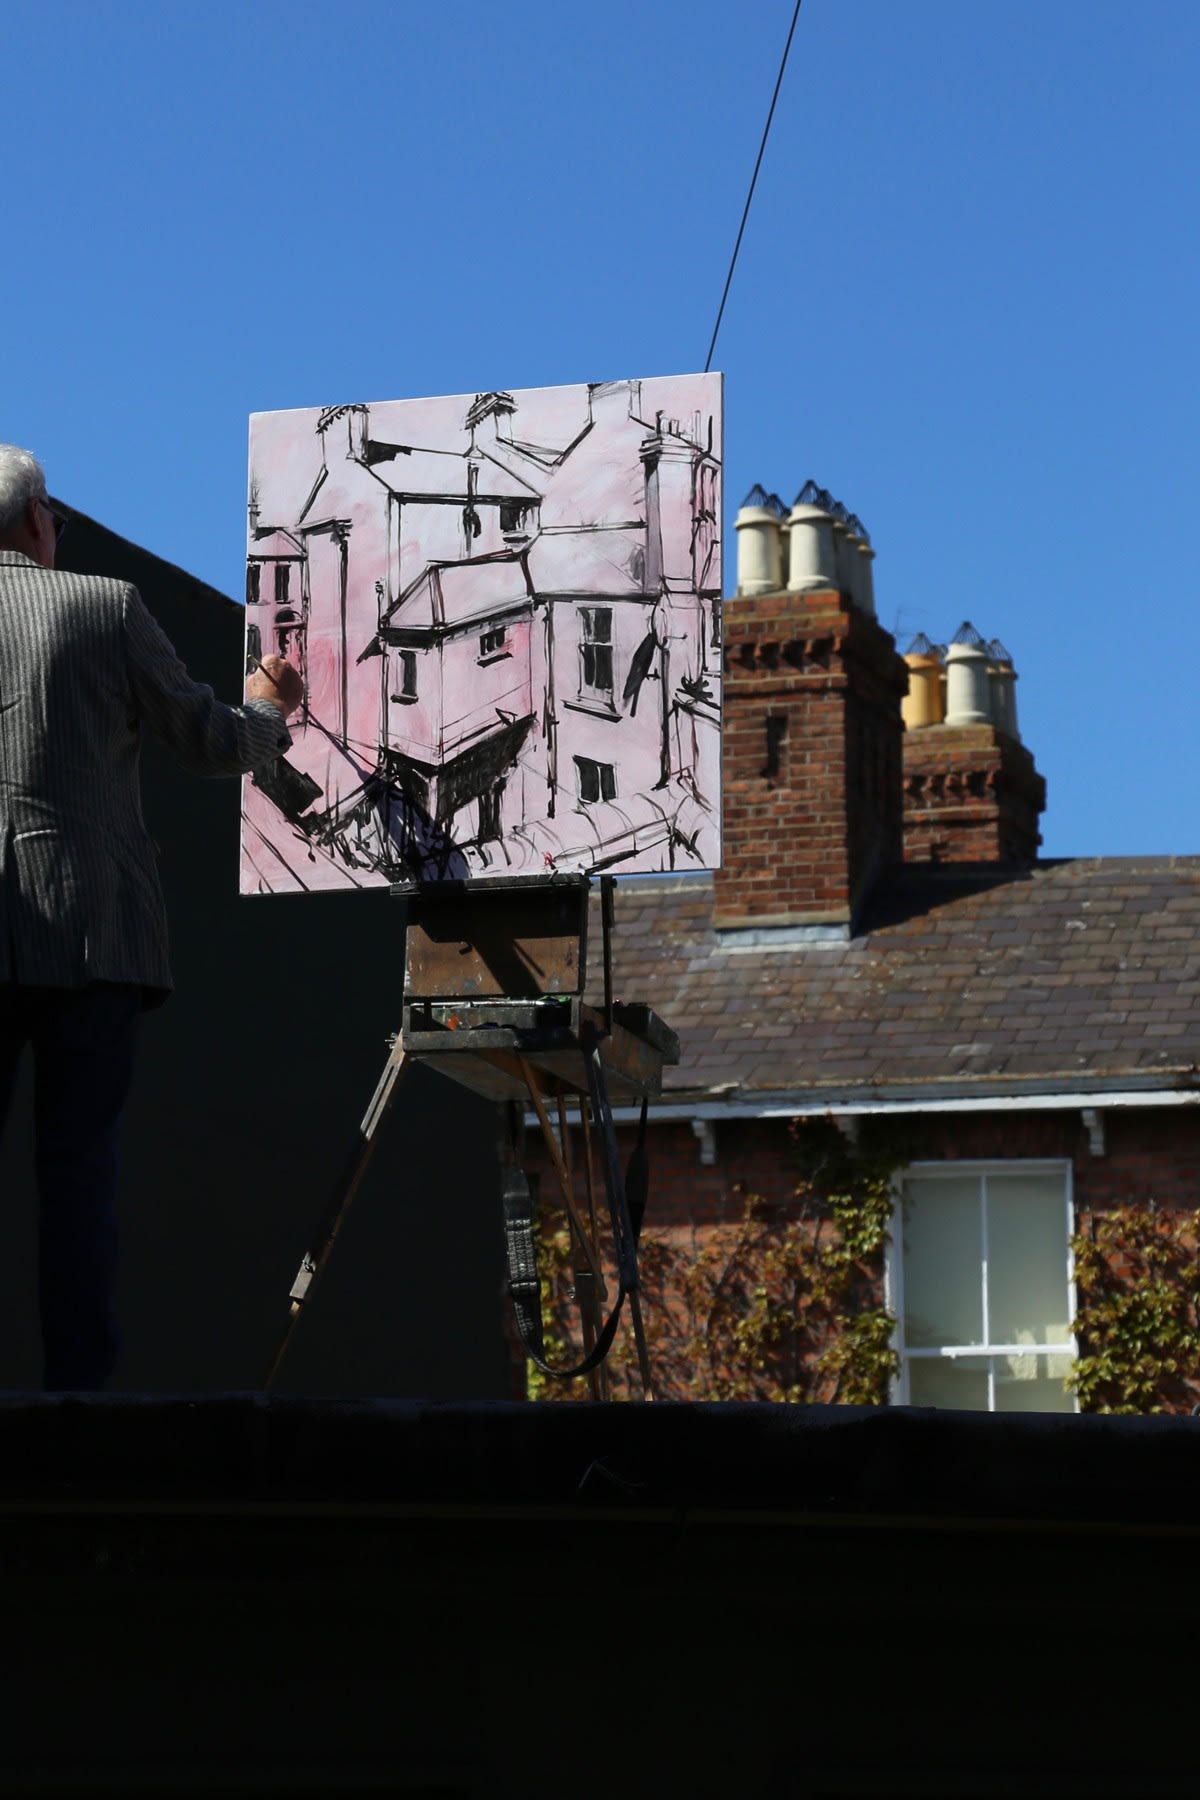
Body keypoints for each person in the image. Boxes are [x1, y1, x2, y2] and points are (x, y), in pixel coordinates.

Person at [0, 443, 303, 1391]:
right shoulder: (101, 605)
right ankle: (78, 1396)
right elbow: (210, 743)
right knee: (77, 1174)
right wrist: (265, 705)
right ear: (39, 518)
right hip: (93, 937)